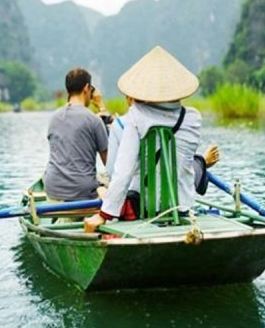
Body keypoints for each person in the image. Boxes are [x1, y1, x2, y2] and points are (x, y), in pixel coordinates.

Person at [84, 46, 205, 232]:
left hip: (146, 210)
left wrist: (104, 214)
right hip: (183, 208)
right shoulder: (194, 118)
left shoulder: (136, 116)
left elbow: (122, 172)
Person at [43, 67, 109, 201]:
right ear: (87, 88)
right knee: (107, 184)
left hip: (52, 188)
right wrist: (101, 106)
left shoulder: (54, 118)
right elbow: (109, 163)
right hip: (83, 192)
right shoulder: (94, 120)